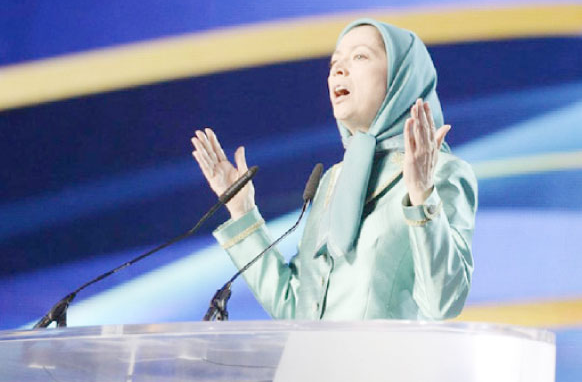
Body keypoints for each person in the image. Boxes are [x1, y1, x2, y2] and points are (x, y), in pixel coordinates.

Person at [191, 18, 477, 320]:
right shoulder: (333, 181)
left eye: (360, 56)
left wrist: (421, 197)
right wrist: (242, 212)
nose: (338, 70)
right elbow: (295, 308)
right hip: (307, 366)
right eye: (334, 63)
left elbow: (442, 303)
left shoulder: (442, 173)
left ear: (400, 78)